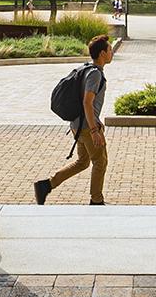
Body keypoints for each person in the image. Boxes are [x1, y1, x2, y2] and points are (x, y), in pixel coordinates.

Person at [34, 35, 114, 206]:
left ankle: (46, 185)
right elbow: (87, 102)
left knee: (82, 162)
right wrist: (94, 130)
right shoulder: (95, 75)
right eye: (109, 49)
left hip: (77, 125)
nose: (111, 52)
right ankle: (96, 200)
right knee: (100, 162)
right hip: (86, 127)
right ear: (102, 54)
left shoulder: (86, 69)